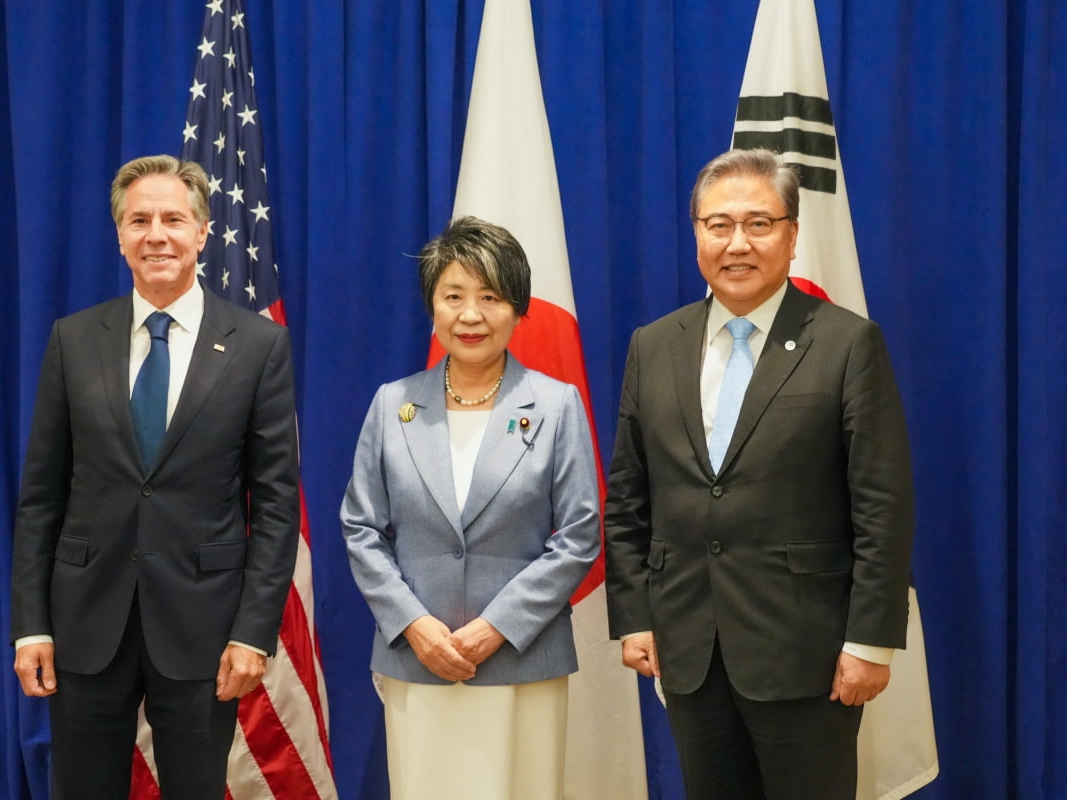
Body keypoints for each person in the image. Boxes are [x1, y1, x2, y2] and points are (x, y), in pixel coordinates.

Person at [604, 149, 915, 800]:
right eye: (718, 225)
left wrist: (871, 642)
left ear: (793, 234)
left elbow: (882, 508)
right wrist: (634, 616)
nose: (736, 243)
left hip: (810, 654)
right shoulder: (653, 346)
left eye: (758, 223)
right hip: (690, 650)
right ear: (697, 234)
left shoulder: (847, 344)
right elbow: (629, 498)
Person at [10, 155, 300, 800]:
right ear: (119, 236)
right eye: (139, 220)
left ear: (202, 232)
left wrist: (254, 630)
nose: (156, 234)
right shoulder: (74, 338)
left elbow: (276, 503)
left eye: (173, 218)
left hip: (204, 627)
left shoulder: (257, 345)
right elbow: (40, 497)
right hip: (86, 624)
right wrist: (32, 624)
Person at [341, 216, 600, 799]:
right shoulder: (393, 406)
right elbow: (361, 529)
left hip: (521, 659)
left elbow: (580, 535)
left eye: (490, 297)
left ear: (518, 307)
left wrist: (497, 627)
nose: (471, 315)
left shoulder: (557, 407)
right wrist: (414, 624)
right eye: (453, 296)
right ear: (432, 307)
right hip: (418, 659)